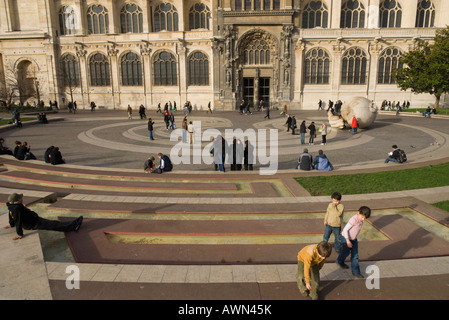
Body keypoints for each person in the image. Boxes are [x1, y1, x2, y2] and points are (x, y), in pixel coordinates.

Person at [4, 193, 83, 240]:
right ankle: (73, 226)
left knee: (53, 223)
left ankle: (72, 224)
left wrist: (11, 224)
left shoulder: (12, 206)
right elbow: (18, 220)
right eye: (20, 198)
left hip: (34, 220)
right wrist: (19, 234)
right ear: (17, 200)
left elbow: (10, 214)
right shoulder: (16, 208)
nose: (22, 198)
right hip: (33, 223)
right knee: (53, 225)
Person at [336, 206, 372, 278]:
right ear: (358, 212)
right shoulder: (353, 220)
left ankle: (356, 272)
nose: (363, 219)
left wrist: (353, 239)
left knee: (355, 255)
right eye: (362, 217)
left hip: (354, 239)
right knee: (345, 252)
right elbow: (345, 230)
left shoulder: (360, 220)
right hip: (345, 238)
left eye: (365, 218)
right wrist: (348, 241)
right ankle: (339, 261)